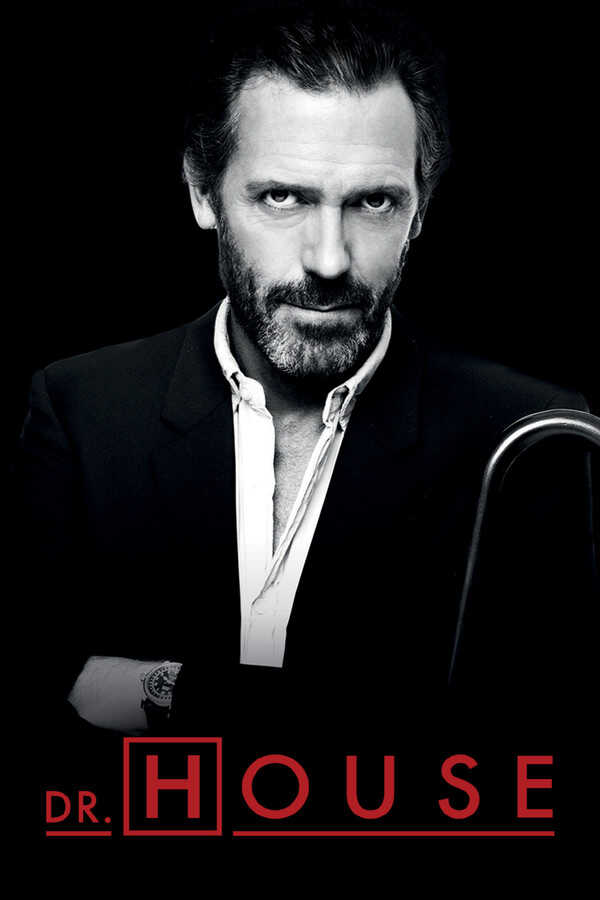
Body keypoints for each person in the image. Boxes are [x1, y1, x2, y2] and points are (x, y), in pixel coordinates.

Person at [16, 5, 596, 754]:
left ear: (420, 210)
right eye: (282, 197)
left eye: (374, 202)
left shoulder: (528, 438)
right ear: (202, 193)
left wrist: (170, 689)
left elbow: (523, 745)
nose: (328, 260)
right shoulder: (81, 409)